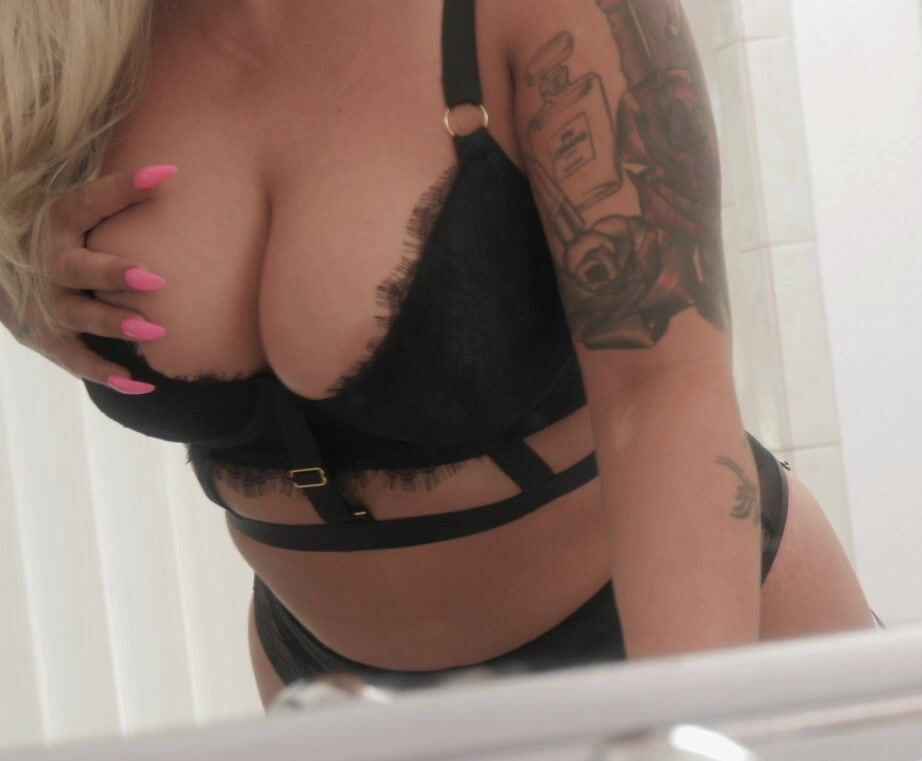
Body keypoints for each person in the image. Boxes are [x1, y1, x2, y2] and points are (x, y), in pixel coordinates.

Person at [0, 0, 873, 701]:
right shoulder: (65, 48)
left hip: (682, 643)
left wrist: (690, 746)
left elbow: (664, 388)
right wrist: (16, 275)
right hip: (327, 684)